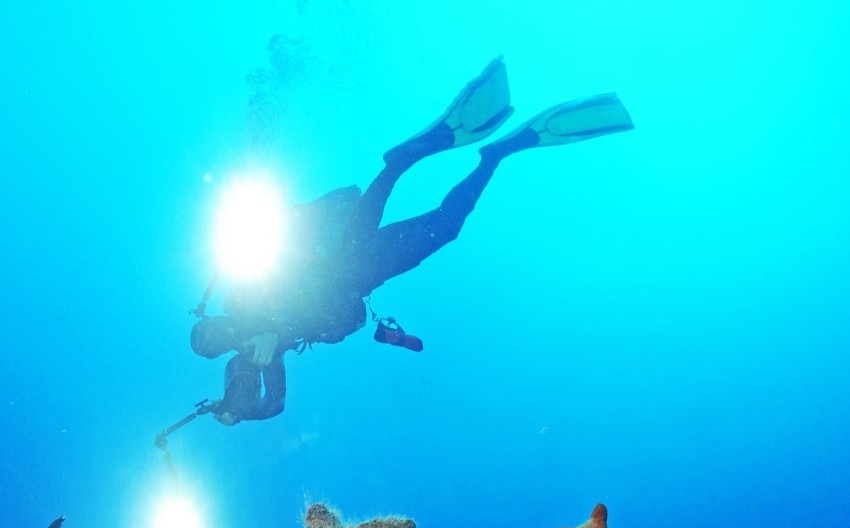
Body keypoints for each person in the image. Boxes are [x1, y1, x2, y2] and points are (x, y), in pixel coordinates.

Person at [191, 57, 633, 425]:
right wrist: (237, 411)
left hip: (336, 259)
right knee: (446, 226)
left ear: (213, 319)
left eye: (211, 331)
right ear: (218, 355)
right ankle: (496, 154)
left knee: (389, 200)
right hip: (364, 273)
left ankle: (403, 160)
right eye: (215, 344)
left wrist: (269, 325)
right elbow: (276, 404)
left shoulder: (241, 298)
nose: (222, 337)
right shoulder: (250, 360)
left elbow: (274, 267)